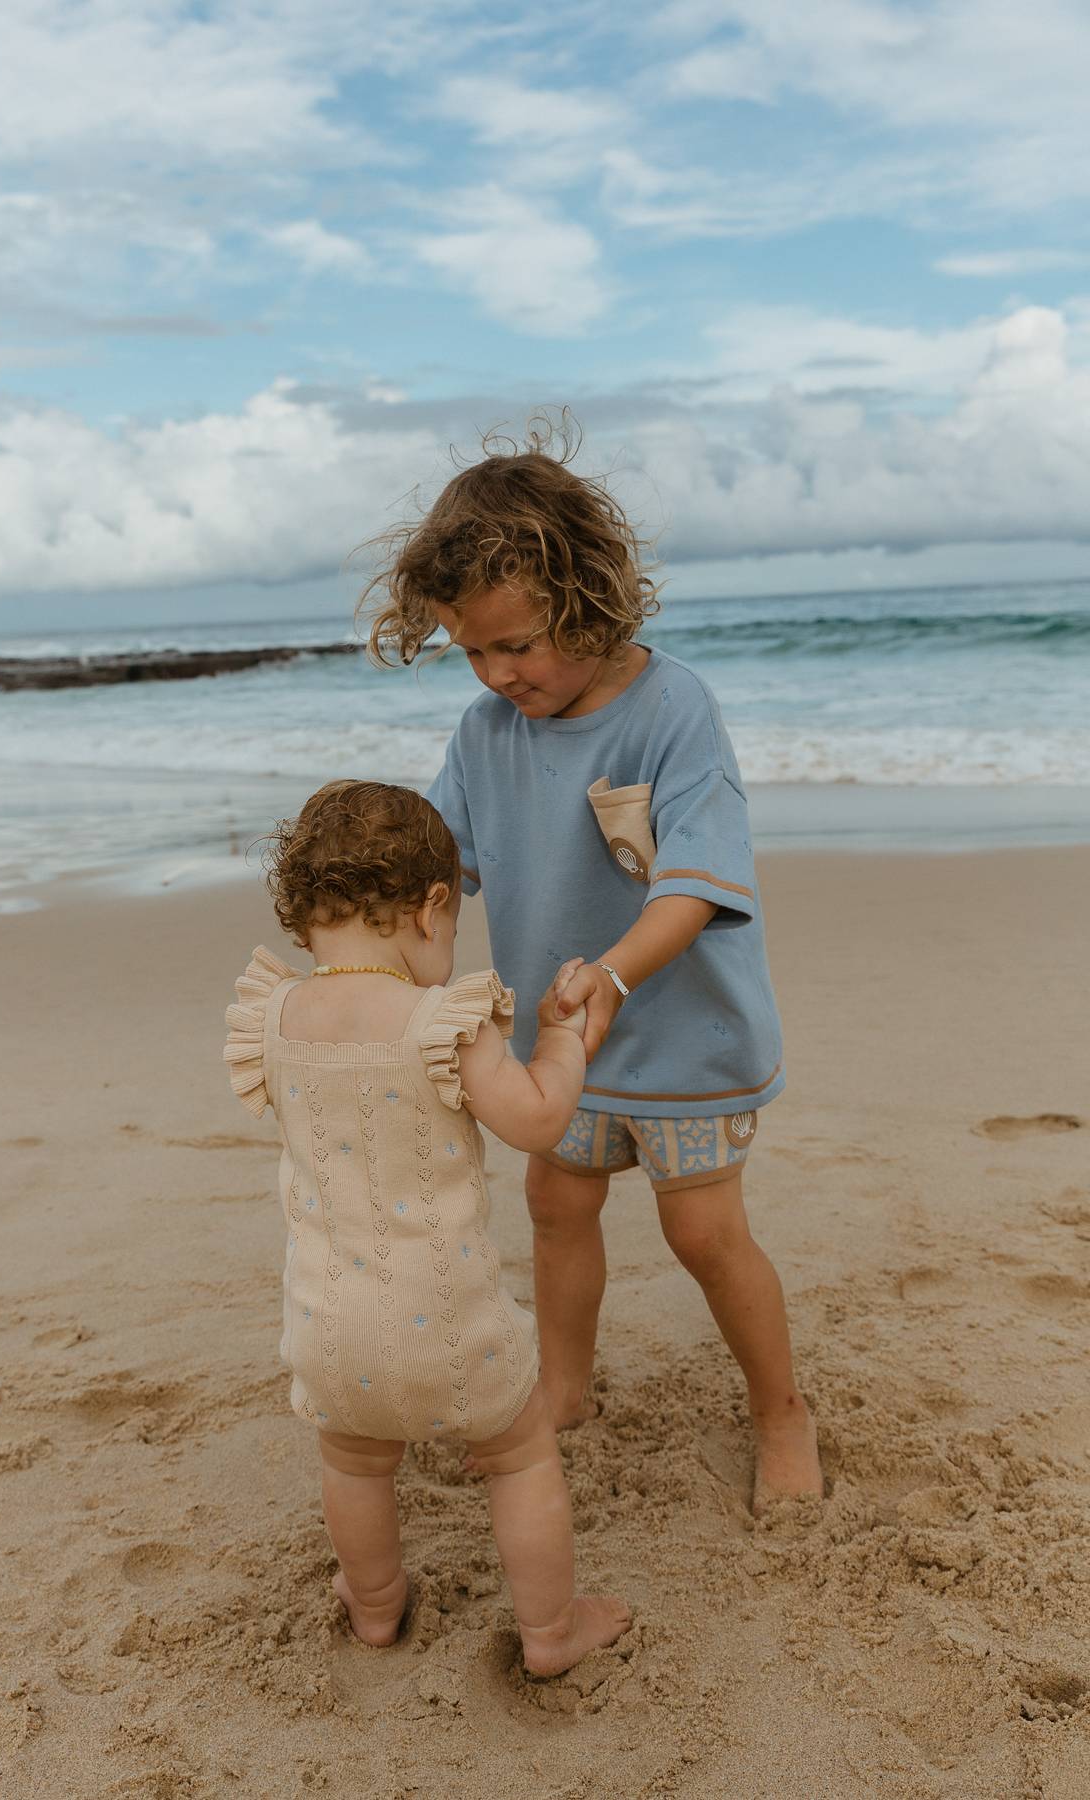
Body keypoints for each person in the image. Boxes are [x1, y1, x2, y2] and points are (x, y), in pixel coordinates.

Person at [361, 420, 824, 1512]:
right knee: (555, 1206)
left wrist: (612, 977)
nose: (497, 672)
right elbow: (441, 864)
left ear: (588, 598)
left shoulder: (675, 712)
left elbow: (696, 884)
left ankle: (780, 1412)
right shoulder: (485, 733)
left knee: (704, 1231)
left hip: (679, 1036)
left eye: (517, 643)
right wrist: (367, 949)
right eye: (471, 650)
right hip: (555, 1043)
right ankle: (563, 1386)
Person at [223, 779, 629, 1674]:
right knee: (521, 1456)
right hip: (451, 1323)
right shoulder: (436, 1020)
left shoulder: (276, 1016)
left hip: (329, 1328)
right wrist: (562, 1042)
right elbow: (534, 1122)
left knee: (357, 1466)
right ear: (431, 908)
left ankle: (374, 1607)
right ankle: (552, 1632)